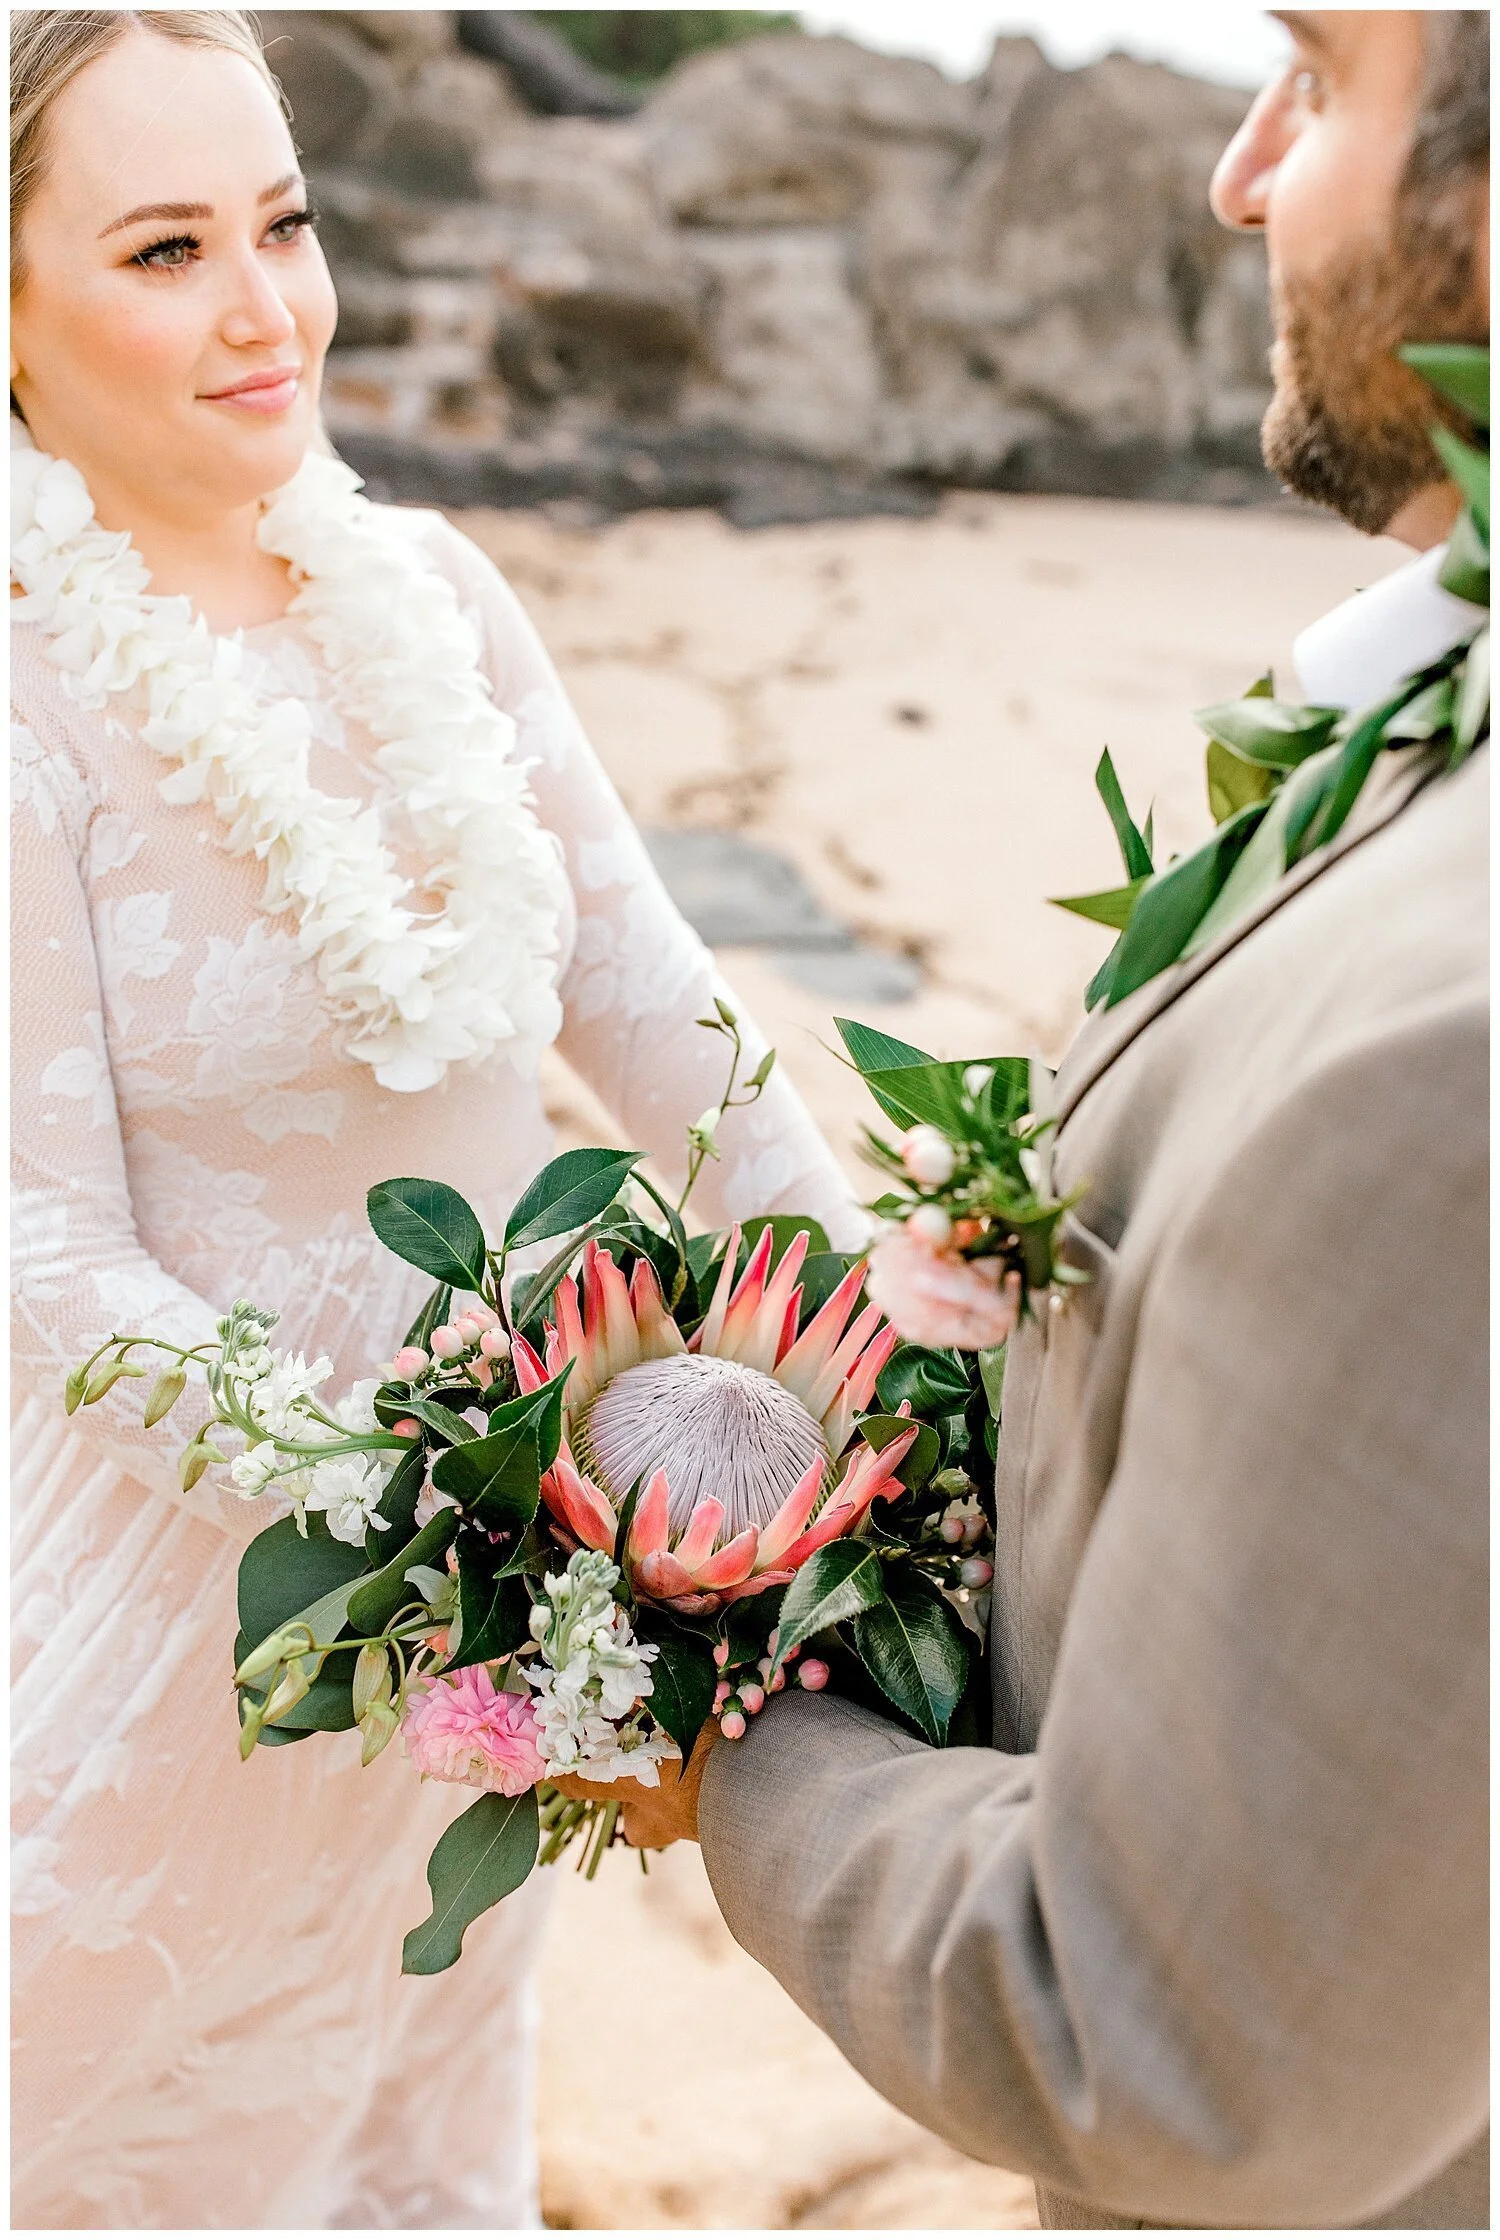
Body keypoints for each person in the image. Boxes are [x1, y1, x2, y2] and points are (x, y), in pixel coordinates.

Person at [617, 12, 1490, 2229]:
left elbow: (1177, 2040)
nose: (1236, 175)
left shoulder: (1445, 1055)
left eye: (1319, 80)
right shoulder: (1407, 729)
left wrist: (730, 1728)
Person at [8, 11, 861, 2227]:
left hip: (487, 1684)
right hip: (191, 1642)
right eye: (167, 247)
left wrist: (902, 1351)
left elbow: (664, 1017)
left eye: (283, 223)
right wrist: (404, 1535)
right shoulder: (17, 686)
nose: (264, 305)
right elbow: (47, 1250)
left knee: (417, 2152)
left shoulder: (445, 603)